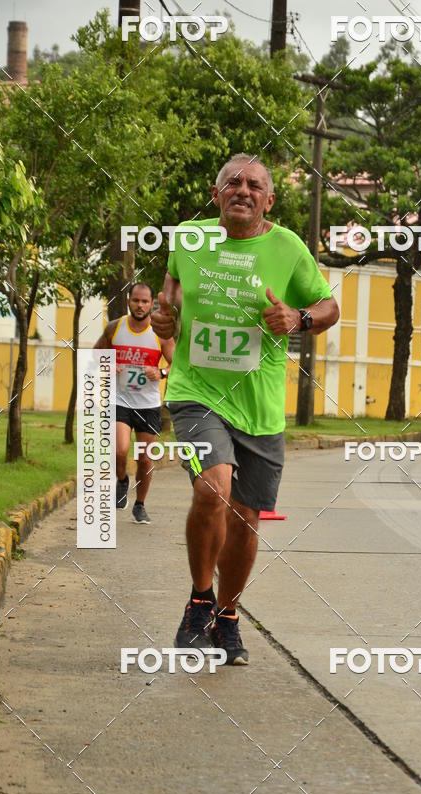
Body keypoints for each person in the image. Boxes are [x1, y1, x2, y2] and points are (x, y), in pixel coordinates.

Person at [152, 153, 340, 665]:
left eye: (255, 185)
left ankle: (227, 616)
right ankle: (199, 601)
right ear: (216, 195)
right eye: (232, 183)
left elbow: (330, 309)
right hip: (196, 391)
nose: (243, 190)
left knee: (247, 517)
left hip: (260, 406)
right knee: (213, 487)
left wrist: (299, 318)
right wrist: (164, 318)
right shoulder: (190, 241)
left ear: (269, 200)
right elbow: (169, 291)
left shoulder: (288, 248)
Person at [95, 282, 174, 524]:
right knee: (120, 450)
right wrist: (109, 364)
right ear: (129, 301)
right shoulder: (114, 327)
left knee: (145, 459)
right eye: (135, 300)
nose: (139, 305)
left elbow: (177, 366)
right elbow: (96, 354)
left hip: (148, 405)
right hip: (120, 400)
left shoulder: (161, 333)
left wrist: (160, 373)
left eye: (144, 302)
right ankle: (121, 480)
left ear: (152, 304)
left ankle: (140, 504)